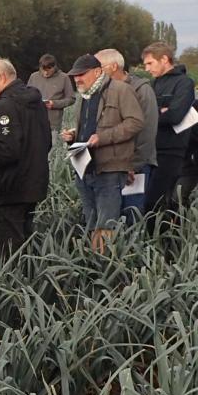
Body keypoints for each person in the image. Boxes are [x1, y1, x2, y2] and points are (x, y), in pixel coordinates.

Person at [59, 54, 143, 253]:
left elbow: (135, 122)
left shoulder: (121, 90)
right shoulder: (85, 96)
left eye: (81, 74)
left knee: (106, 222)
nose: (77, 79)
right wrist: (73, 136)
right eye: (74, 76)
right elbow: (88, 128)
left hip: (110, 167)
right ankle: (92, 261)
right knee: (91, 219)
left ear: (98, 72)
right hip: (85, 166)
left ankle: (105, 263)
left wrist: (103, 137)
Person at [0, 57, 50, 259]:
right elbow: (47, 142)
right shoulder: (35, 102)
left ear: (1, 78)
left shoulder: (5, 107)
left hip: (8, 189)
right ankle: (26, 284)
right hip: (31, 185)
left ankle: (11, 287)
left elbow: (6, 151)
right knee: (23, 244)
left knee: (8, 252)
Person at [95, 49, 157, 220]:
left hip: (136, 165)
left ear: (114, 66)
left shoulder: (142, 90)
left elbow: (147, 133)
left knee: (132, 212)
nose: (96, 72)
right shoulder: (104, 91)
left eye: (99, 67)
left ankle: (133, 246)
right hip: (113, 165)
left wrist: (133, 165)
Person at [141, 41, 195, 221]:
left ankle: (166, 243)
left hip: (171, 151)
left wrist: (153, 113)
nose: (147, 68)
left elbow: (175, 116)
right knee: (146, 204)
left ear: (164, 59)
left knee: (154, 203)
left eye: (150, 63)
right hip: (151, 150)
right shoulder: (153, 84)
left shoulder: (184, 83)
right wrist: (160, 111)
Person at [27, 54, 75, 132]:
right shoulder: (33, 77)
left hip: (53, 124)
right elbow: (27, 96)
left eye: (49, 70)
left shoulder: (64, 77)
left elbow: (71, 98)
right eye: (43, 70)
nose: (46, 73)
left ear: (55, 67)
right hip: (34, 121)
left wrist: (55, 104)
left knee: (54, 143)